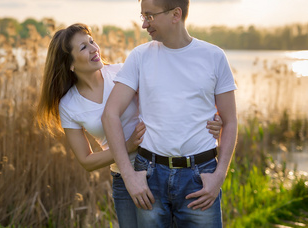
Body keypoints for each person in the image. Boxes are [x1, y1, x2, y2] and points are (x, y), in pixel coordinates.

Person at [36, 23, 224, 228]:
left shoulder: (121, 72)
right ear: (69, 63)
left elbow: (172, 95)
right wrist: (127, 146)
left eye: (92, 41)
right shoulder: (69, 104)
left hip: (158, 169)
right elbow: (86, 161)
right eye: (83, 47)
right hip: (123, 178)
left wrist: (214, 116)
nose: (94, 48)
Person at [102, 0, 238, 228]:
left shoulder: (214, 57)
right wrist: (130, 176)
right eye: (142, 16)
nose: (144, 24)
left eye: (150, 16)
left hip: (200, 176)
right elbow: (110, 114)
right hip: (150, 176)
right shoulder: (140, 57)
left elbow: (230, 122)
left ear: (176, 14)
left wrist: (219, 175)